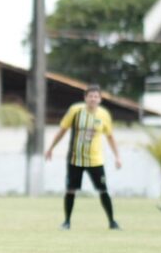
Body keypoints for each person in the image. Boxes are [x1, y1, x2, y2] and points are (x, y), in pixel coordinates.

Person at [44, 84, 122, 230]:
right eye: (90, 96)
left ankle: (112, 221)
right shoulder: (75, 111)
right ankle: (67, 221)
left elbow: (110, 136)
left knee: (103, 190)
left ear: (100, 99)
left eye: (96, 96)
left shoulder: (104, 115)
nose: (93, 99)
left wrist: (117, 156)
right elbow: (62, 130)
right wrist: (50, 148)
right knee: (71, 189)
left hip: (96, 160)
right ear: (85, 98)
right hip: (75, 158)